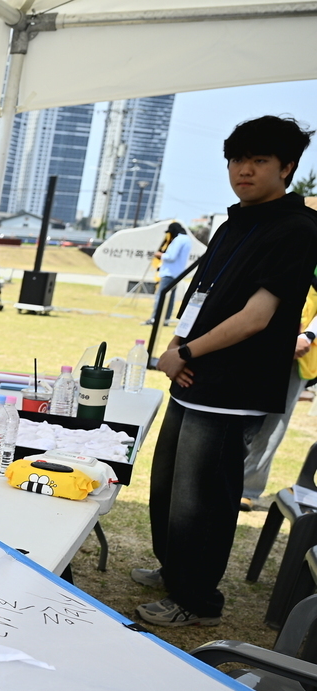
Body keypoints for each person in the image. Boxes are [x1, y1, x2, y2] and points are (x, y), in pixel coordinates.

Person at [134, 115, 317, 627]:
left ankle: (196, 601)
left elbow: (258, 317)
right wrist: (175, 347)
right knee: (168, 483)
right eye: (238, 159)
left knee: (204, 498)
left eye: (259, 160)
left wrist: (187, 355)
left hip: (232, 385)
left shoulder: (296, 230)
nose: (245, 170)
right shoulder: (235, 221)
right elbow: (200, 296)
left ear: (287, 167)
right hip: (193, 375)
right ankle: (174, 569)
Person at [240, 272, 317, 510]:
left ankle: (248, 488)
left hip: (298, 348)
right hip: (256, 338)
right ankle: (221, 478)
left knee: (273, 423)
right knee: (238, 413)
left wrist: (308, 335)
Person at [144, 221, 194, 326]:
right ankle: (166, 319)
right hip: (178, 273)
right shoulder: (187, 240)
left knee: (160, 296)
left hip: (169, 272)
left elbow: (171, 257)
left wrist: (160, 255)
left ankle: (155, 319)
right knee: (170, 298)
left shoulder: (178, 240)